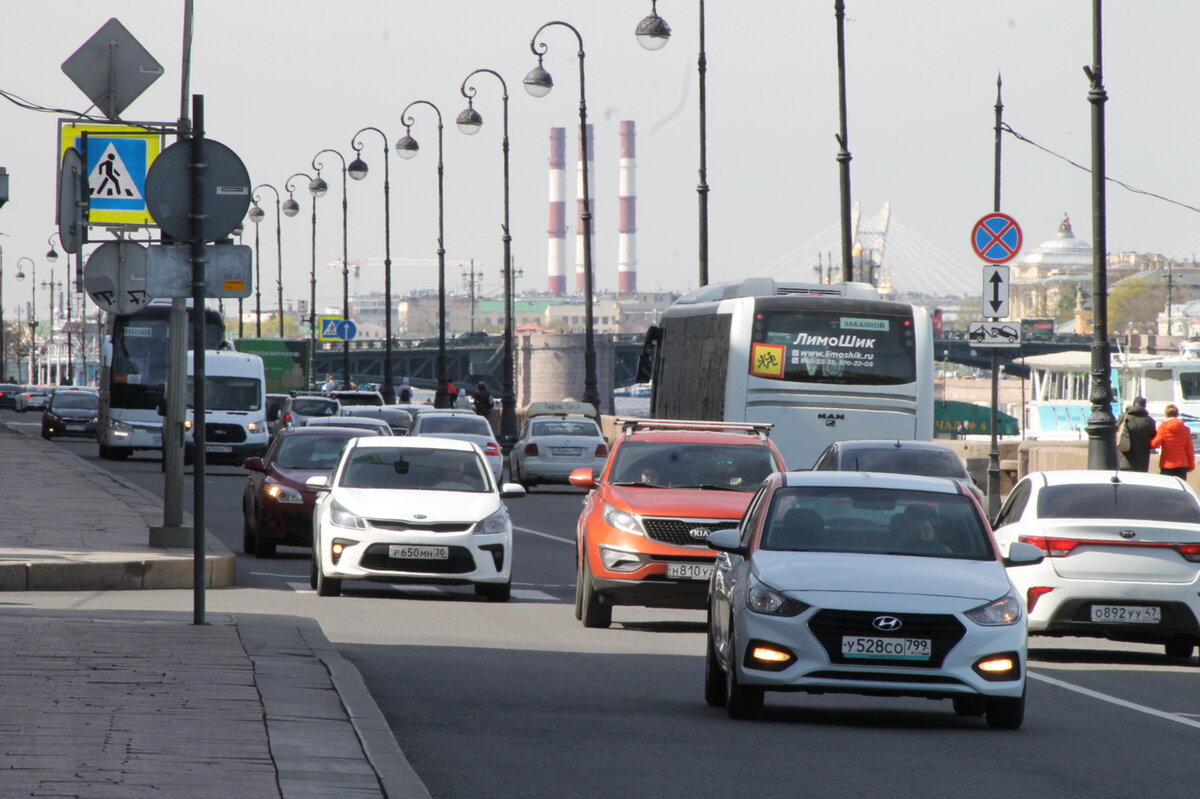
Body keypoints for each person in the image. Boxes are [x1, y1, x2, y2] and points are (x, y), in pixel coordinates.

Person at [1150, 403, 1194, 479]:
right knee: (1180, 488)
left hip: (1167, 464)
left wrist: (1150, 439)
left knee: (1168, 487)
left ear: (1166, 414)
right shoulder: (1185, 429)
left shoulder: (1162, 427)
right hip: (1182, 464)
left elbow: (1155, 444)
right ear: (1177, 414)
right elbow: (1189, 448)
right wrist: (1191, 464)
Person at [1117, 396, 1156, 473]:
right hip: (1142, 460)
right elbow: (1153, 436)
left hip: (1125, 457)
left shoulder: (1124, 417)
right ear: (1144, 406)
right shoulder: (1149, 420)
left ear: (1134, 404)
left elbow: (1116, 431)